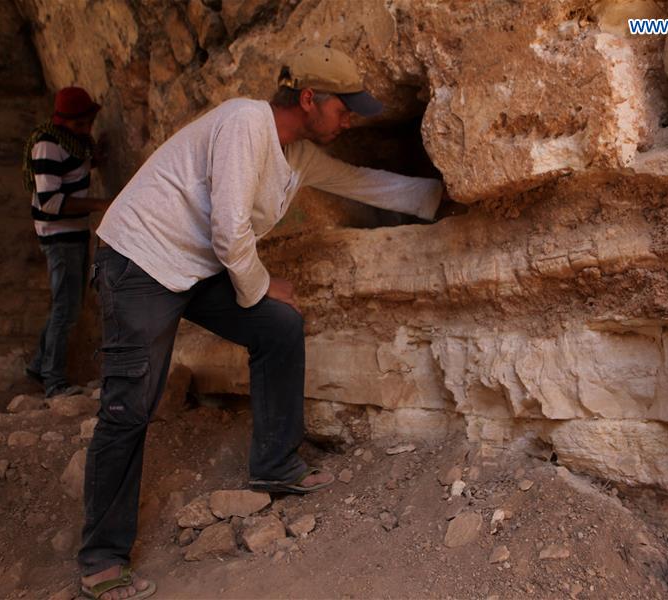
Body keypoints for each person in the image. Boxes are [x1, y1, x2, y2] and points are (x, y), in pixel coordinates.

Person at [77, 47, 462, 600]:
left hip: (195, 266)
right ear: (309, 99)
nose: (349, 118)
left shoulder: (296, 154)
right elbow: (230, 231)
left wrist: (443, 192)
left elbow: (359, 182)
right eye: (343, 108)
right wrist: (264, 286)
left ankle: (276, 465)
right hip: (141, 261)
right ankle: (101, 560)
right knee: (130, 404)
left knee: (277, 327)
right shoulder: (244, 122)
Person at [22, 86, 111, 399]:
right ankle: (54, 382)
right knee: (65, 309)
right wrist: (100, 205)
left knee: (68, 306)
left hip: (74, 233)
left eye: (87, 123)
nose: (85, 130)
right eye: (79, 125)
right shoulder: (47, 145)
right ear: (63, 122)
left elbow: (74, 167)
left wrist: (97, 157)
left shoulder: (72, 141)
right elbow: (49, 201)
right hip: (58, 237)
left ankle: (38, 367)